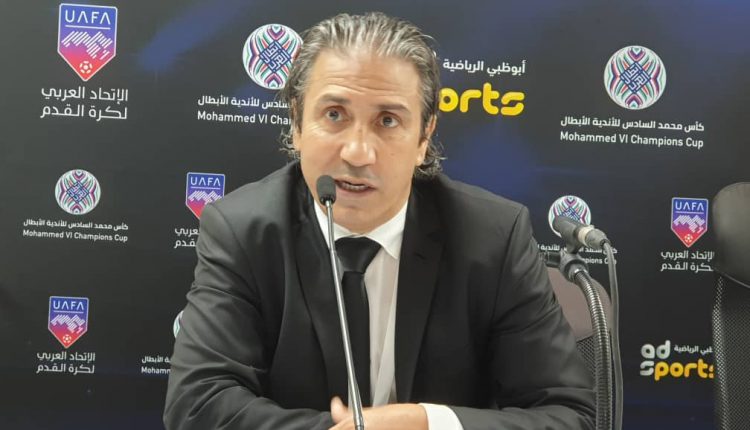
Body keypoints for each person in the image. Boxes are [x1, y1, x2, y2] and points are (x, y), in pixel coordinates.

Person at [164, 12, 594, 430]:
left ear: (424, 138)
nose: (357, 152)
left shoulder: (493, 238)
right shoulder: (242, 231)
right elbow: (197, 406)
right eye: (334, 115)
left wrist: (428, 424)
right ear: (297, 123)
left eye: (387, 121)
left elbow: (568, 415)